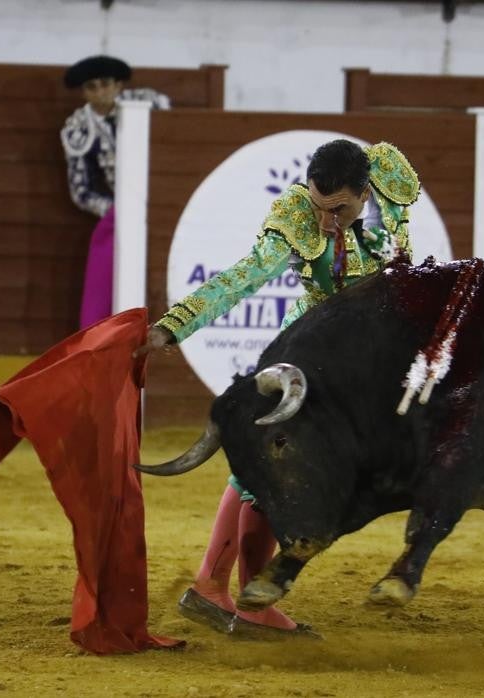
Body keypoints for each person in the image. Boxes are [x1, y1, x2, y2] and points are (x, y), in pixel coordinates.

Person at [134, 138, 421, 638]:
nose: (327, 220)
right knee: (275, 468)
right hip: (310, 356)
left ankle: (219, 588)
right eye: (317, 206)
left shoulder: (392, 179)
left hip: (368, 364)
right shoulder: (296, 215)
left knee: (282, 472)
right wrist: (174, 325)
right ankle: (239, 597)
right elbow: (243, 277)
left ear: (365, 191)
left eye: (339, 209)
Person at [61, 55, 170, 329]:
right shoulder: (78, 127)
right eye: (91, 87)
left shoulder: (149, 104)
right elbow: (81, 190)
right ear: (84, 92)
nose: (100, 92)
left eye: (105, 84)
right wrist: (115, 210)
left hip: (164, 199)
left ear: (119, 84)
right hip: (120, 210)